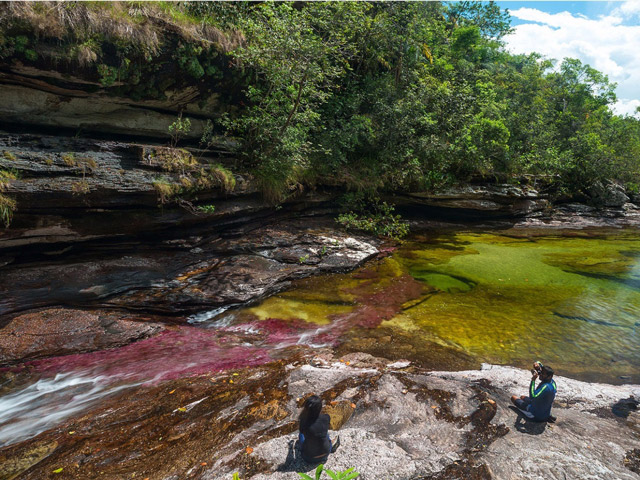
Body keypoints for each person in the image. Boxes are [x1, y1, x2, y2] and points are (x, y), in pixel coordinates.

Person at [298, 395, 339, 463]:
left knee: (301, 435)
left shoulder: (303, 422)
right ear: (320, 408)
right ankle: (330, 443)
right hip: (326, 453)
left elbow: (302, 431)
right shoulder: (326, 417)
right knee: (325, 433)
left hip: (309, 457)